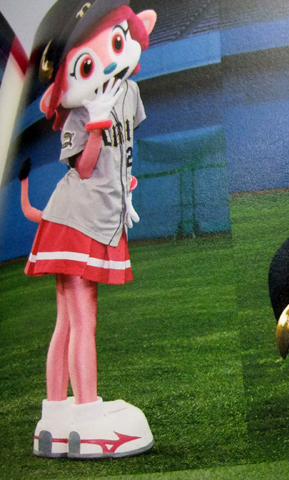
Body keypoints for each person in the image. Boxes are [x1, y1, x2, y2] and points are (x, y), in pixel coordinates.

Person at [21, 0, 156, 459]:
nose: (109, 63)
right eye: (87, 63)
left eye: (117, 42)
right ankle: (84, 413)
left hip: (100, 214)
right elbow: (83, 167)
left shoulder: (129, 93)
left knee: (67, 319)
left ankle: (54, 418)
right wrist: (95, 127)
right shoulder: (80, 112)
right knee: (81, 319)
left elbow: (127, 149)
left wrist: (126, 191)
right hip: (76, 219)